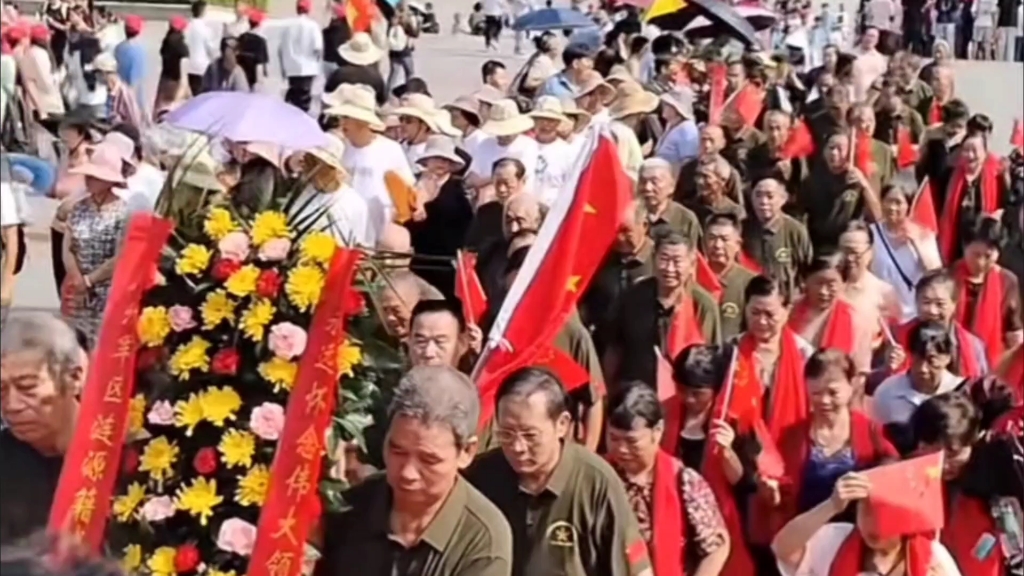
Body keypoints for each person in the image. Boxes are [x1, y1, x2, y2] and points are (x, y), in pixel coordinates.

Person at [319, 366, 513, 575]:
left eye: (428, 460)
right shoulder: (353, 506)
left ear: (466, 451)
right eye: (397, 451)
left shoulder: (482, 540)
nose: (407, 473)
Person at [464, 367, 653, 576]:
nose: (517, 447)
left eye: (530, 435)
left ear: (562, 424)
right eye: (506, 434)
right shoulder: (481, 475)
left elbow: (636, 570)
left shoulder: (595, 482)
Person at [604, 382, 731, 575]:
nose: (621, 449)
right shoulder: (598, 476)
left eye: (632, 441)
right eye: (614, 438)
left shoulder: (684, 480)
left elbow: (716, 547)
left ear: (657, 431)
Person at [771, 468, 962, 575]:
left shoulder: (933, 556)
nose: (872, 525)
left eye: (884, 515)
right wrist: (831, 505)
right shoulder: (835, 539)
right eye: (866, 511)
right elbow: (782, 548)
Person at [0, 312, 86, 544]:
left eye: (27, 387)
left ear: (74, 378)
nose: (12, 406)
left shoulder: (118, 454)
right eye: (2, 391)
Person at [326, 84, 415, 245]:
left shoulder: (389, 149)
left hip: (378, 226)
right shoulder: (339, 148)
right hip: (344, 223)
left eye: (347, 118)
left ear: (361, 122)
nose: (342, 123)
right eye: (341, 118)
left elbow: (406, 186)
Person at [61, 145, 129, 345]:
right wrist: (76, 278)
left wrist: (90, 280)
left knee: (101, 349)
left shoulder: (123, 213)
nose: (88, 180)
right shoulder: (79, 208)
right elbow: (68, 246)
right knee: (73, 348)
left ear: (110, 181)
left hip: (108, 292)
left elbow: (120, 256)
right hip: (79, 292)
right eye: (88, 176)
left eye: (95, 177)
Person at [406, 136, 474, 298]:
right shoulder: (414, 187)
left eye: (445, 160)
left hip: (447, 262)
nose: (441, 164)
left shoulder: (459, 190)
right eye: (437, 158)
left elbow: (467, 226)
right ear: (427, 161)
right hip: (420, 260)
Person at [870, 182, 942, 321]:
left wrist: (916, 244)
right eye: (888, 201)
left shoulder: (923, 234)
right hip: (881, 313)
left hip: (913, 314)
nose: (892, 207)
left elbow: (935, 274)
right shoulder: (871, 233)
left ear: (908, 205)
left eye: (898, 203)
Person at [279, 0, 323, 112]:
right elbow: (317, 48)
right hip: (308, 68)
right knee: (304, 99)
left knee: (293, 96)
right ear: (309, 9)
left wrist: (283, 68)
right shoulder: (313, 26)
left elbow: (281, 49)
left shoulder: (288, 26)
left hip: (292, 67)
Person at [93, 53, 144, 133]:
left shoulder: (124, 93)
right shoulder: (111, 92)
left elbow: (135, 122)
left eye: (96, 73)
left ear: (103, 73)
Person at [154, 16, 189, 120]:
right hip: (176, 85)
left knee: (160, 112)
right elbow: (184, 76)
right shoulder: (182, 49)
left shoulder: (165, 45)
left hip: (164, 82)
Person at [183, 0, 219, 96]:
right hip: (202, 67)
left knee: (193, 92)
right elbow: (211, 49)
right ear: (203, 12)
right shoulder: (205, 30)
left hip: (188, 66)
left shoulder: (186, 27)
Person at [114, 15, 147, 113]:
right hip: (134, 90)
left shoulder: (119, 47)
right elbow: (137, 77)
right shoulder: (140, 49)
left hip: (121, 88)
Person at [236, 9, 268, 90]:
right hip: (252, 78)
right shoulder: (260, 41)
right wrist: (261, 81)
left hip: (239, 75)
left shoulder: (241, 37)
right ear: (260, 25)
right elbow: (260, 64)